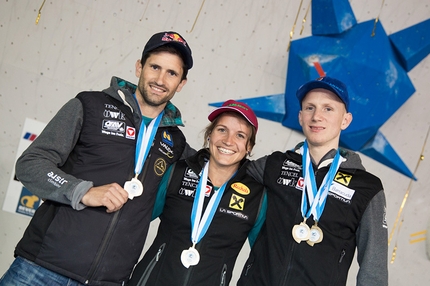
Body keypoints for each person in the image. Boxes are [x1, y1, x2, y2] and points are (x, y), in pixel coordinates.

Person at [0, 31, 194, 286]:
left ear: (181, 84)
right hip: (40, 270)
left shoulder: (176, 143)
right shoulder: (90, 105)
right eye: (155, 66)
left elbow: (219, 171)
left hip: (107, 281)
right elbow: (31, 163)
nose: (160, 79)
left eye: (172, 73)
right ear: (139, 67)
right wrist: (82, 191)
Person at [237, 76, 388, 286]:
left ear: (346, 120)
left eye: (328, 108)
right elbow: (221, 173)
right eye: (310, 108)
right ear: (300, 117)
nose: (317, 116)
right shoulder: (274, 165)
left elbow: (374, 269)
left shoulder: (367, 188)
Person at [128, 100, 267, 286]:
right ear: (210, 134)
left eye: (240, 135)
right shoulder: (177, 172)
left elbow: (264, 259)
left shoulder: (257, 197)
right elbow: (134, 220)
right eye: (222, 130)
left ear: (249, 146)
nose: (228, 141)